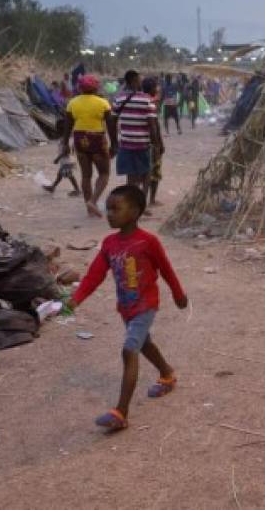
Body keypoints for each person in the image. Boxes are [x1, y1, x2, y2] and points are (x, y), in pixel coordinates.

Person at [67, 185, 188, 432]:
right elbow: (94, 275)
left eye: (115, 209)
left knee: (129, 349)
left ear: (134, 212)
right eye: (108, 208)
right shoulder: (110, 243)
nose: (109, 214)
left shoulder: (148, 241)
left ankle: (121, 412)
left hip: (145, 306)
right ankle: (167, 374)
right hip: (126, 307)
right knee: (144, 344)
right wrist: (76, 298)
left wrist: (178, 293)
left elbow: (166, 269)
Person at [62, 75, 117, 217]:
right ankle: (93, 201)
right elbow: (111, 126)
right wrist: (115, 144)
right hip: (97, 140)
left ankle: (89, 210)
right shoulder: (103, 103)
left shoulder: (72, 103)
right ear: (96, 87)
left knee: (86, 176)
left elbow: (67, 126)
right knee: (104, 174)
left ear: (80, 87)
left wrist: (65, 144)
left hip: (79, 140)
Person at [112, 70, 161, 195]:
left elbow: (112, 121)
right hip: (142, 144)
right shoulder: (147, 100)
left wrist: (114, 142)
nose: (141, 82)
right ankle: (141, 201)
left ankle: (131, 202)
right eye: (139, 80)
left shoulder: (119, 98)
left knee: (131, 177)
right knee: (145, 174)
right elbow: (152, 125)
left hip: (126, 143)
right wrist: (156, 144)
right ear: (134, 81)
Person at [142, 77, 164, 208]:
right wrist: (158, 144)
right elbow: (154, 126)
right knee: (154, 172)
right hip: (150, 142)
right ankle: (151, 200)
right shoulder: (151, 103)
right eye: (156, 86)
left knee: (142, 173)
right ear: (151, 89)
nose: (158, 89)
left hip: (140, 142)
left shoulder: (139, 100)